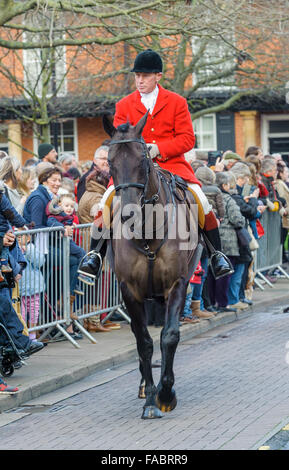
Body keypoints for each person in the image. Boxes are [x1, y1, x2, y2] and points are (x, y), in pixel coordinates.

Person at [79, 49, 232, 281]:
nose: (140, 80)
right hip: (133, 170)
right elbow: (120, 139)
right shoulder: (124, 104)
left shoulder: (177, 102)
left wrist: (159, 148)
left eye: (145, 76)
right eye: (137, 76)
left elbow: (188, 139)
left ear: (158, 76)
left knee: (200, 199)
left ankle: (216, 254)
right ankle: (94, 255)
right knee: (106, 200)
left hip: (172, 165)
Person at [207, 172, 246, 313]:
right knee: (224, 274)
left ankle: (210, 303)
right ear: (224, 185)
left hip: (211, 240)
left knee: (211, 273)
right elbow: (237, 218)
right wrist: (243, 220)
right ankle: (222, 303)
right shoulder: (228, 199)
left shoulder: (206, 196)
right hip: (228, 242)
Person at [0, 180, 27, 281]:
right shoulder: (1, 197)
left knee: (7, 243)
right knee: (5, 246)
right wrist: (22, 223)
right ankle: (4, 265)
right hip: (3, 230)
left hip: (4, 230)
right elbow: (11, 213)